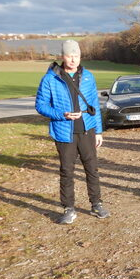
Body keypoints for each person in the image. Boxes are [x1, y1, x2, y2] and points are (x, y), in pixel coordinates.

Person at [35, 40, 109, 225]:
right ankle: (69, 208)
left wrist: (98, 131)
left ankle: (96, 203)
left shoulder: (88, 76)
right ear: (63, 57)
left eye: (76, 55)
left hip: (87, 130)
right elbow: (41, 105)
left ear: (80, 56)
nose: (73, 59)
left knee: (92, 169)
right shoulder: (50, 78)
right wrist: (62, 115)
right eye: (70, 56)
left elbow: (94, 106)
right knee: (66, 171)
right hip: (63, 132)